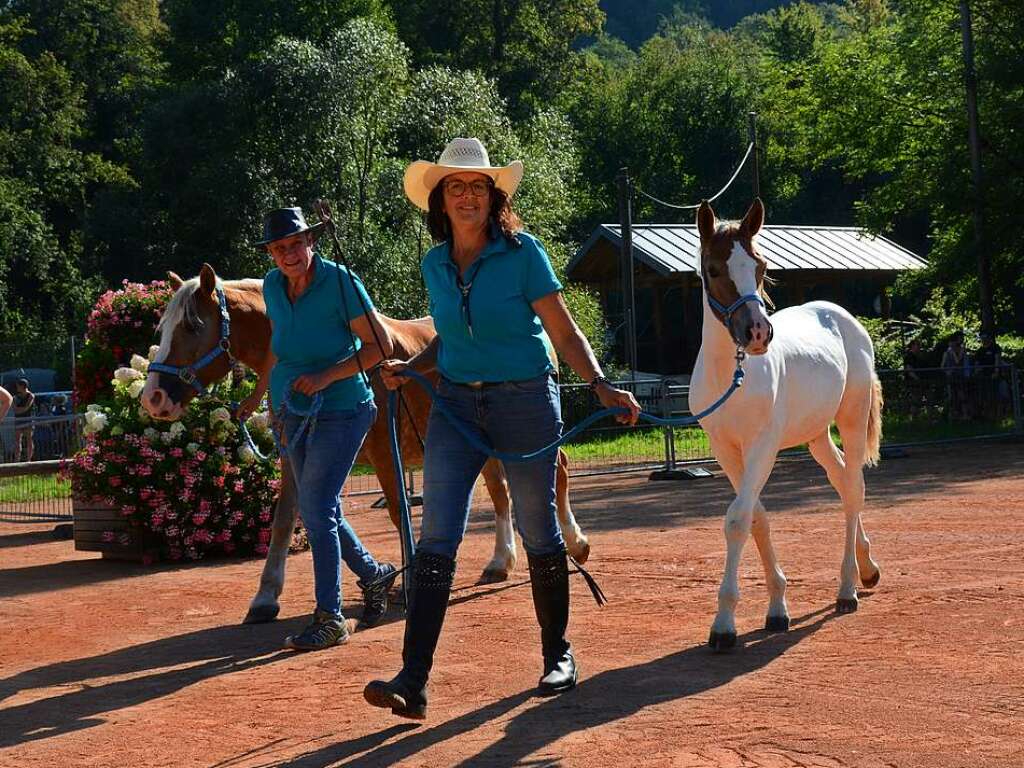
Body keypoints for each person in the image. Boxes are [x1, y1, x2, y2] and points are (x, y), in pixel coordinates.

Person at [363, 138, 641, 719]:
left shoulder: (523, 254)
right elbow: (451, 338)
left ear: (493, 198)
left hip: (525, 402)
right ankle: (413, 680)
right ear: (441, 199)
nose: (468, 196)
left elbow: (563, 332)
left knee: (540, 530)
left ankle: (558, 653)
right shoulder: (435, 264)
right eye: (457, 187)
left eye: (479, 187)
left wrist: (599, 382)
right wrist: (411, 368)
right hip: (456, 408)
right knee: (437, 537)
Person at [240, 206, 400, 650]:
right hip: (292, 409)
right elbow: (279, 346)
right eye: (278, 248)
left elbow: (380, 347)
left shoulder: (341, 283)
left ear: (311, 241)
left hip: (343, 408)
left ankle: (330, 617)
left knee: (316, 505)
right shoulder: (273, 286)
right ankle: (374, 574)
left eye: (295, 244)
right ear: (271, 254)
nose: (288, 254)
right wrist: (261, 395)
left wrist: (328, 375)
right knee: (320, 509)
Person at [973, 332, 1009, 418]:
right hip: (985, 377)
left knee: (999, 395)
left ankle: (1000, 414)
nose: (983, 340)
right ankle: (988, 414)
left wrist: (996, 371)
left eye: (985, 338)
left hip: (996, 375)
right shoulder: (979, 351)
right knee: (987, 395)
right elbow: (977, 364)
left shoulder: (995, 348)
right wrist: (976, 371)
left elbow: (997, 359)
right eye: (982, 338)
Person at [941, 331, 971, 420]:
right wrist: (947, 371)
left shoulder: (962, 350)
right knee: (951, 396)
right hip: (951, 377)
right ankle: (951, 414)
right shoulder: (947, 352)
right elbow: (942, 366)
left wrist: (954, 352)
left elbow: (958, 361)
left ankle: (964, 414)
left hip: (960, 375)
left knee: (962, 395)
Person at [12, 378, 35, 462]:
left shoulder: (31, 396)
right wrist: (20, 410)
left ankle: (29, 460)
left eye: (18, 386)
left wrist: (20, 410)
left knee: (29, 439)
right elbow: (15, 409)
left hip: (28, 419)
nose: (17, 388)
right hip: (18, 420)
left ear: (22, 386)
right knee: (17, 440)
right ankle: (17, 460)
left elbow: (27, 407)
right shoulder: (15, 397)